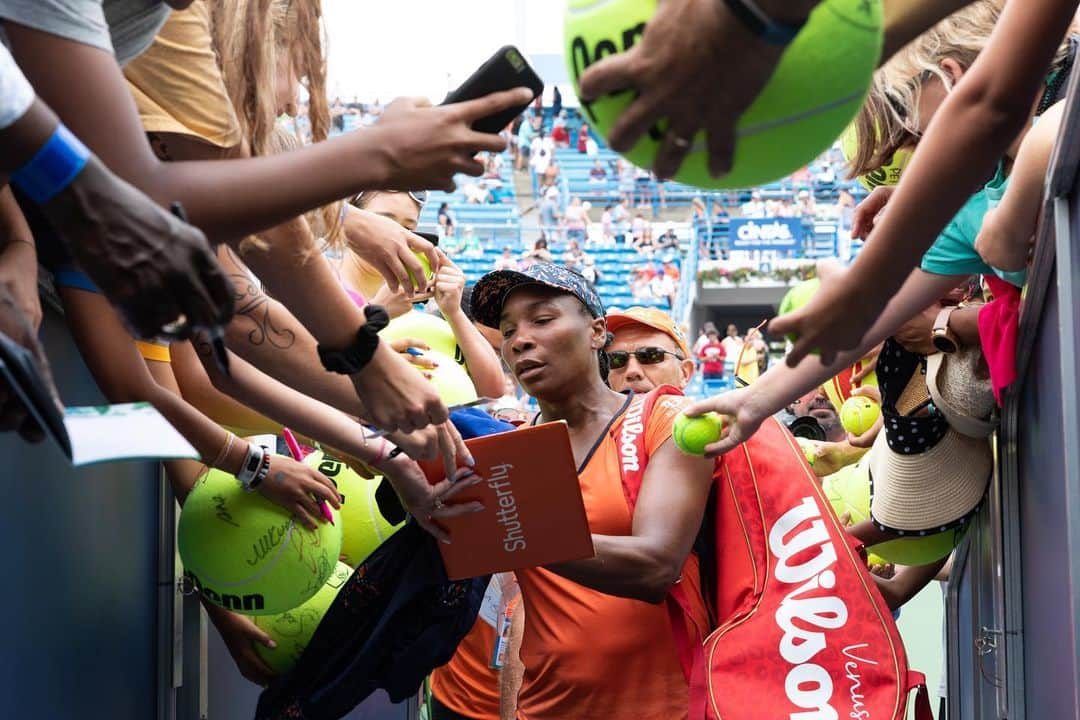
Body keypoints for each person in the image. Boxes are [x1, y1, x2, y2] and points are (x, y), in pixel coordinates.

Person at [772, 0, 1080, 366]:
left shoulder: (1057, 104)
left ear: (952, 78)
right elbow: (874, 317)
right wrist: (753, 399)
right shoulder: (974, 205)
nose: (923, 164)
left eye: (914, 133)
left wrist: (1008, 223)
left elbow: (1050, 131)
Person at [470, 263, 713, 720]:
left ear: (597, 332)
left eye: (542, 320)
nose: (520, 340)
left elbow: (656, 566)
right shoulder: (511, 451)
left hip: (668, 709)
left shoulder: (665, 421)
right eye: (507, 331)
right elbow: (522, 606)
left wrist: (507, 527)